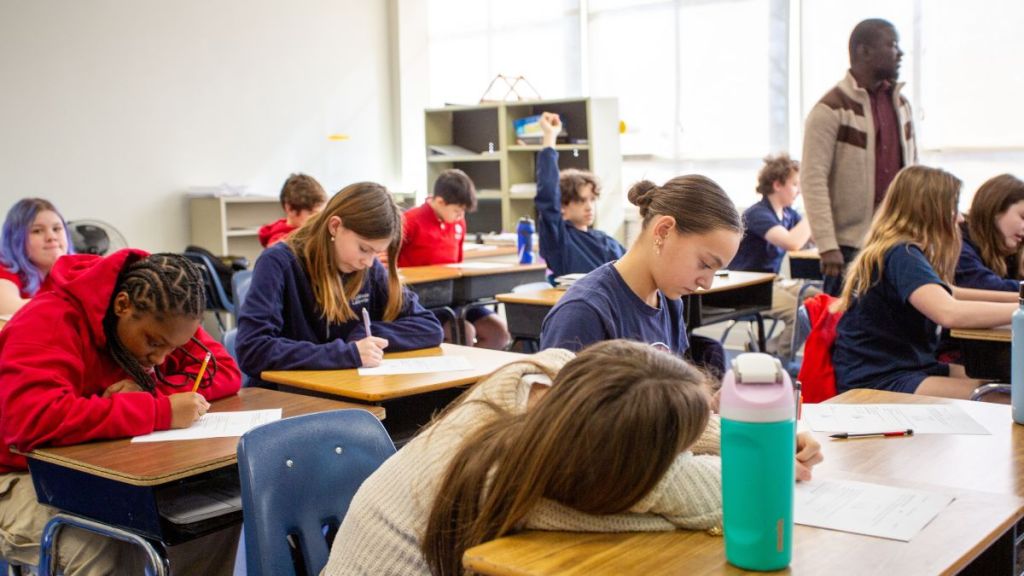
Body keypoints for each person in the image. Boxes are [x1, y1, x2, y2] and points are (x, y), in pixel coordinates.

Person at [321, 340, 823, 575]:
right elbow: (706, 498)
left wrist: (768, 437)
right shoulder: (511, 477)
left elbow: (651, 408)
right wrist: (767, 466)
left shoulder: (552, 373)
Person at [0, 250, 242, 574]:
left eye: (173, 348)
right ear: (122, 306)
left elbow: (223, 370)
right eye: (154, 343)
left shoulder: (169, 310)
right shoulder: (49, 319)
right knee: (107, 544)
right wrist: (158, 411)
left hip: (104, 473)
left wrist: (154, 395)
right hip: (19, 474)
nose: (160, 358)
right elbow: (31, 419)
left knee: (210, 517)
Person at [833, 166, 1017, 399]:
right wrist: (1018, 309)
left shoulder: (899, 250)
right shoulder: (902, 254)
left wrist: (1018, 298)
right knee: (1004, 397)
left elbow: (950, 293)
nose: (959, 218)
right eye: (953, 208)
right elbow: (949, 312)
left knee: (1004, 384)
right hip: (879, 379)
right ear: (930, 211)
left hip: (904, 366)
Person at [236, 182, 444, 387]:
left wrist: (367, 335)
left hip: (346, 390)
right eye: (364, 249)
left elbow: (430, 327)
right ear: (335, 226)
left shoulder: (368, 268)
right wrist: (347, 353)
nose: (369, 262)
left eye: (376, 252)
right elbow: (252, 349)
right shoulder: (278, 262)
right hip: (287, 397)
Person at [540, 174, 742, 376]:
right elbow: (564, 406)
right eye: (705, 264)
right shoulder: (584, 313)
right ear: (664, 231)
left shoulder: (670, 301)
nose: (707, 284)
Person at [801, 18, 917, 296]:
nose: (899, 53)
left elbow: (913, 172)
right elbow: (813, 179)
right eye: (892, 45)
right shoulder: (831, 109)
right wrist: (827, 244)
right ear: (863, 51)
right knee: (845, 328)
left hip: (896, 239)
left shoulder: (901, 105)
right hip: (848, 245)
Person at [398, 168, 510, 350]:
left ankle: (486, 376)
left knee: (498, 331)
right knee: (464, 332)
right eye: (457, 211)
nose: (460, 217)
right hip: (424, 300)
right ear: (439, 201)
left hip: (455, 297)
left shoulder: (458, 222)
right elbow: (386, 260)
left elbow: (457, 262)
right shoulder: (410, 221)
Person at [729, 154, 817, 358]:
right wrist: (815, 211)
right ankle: (779, 362)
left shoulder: (788, 214)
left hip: (773, 281)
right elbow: (792, 242)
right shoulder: (757, 214)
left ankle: (767, 350)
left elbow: (811, 238)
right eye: (795, 184)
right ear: (777, 185)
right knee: (798, 314)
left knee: (820, 301)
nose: (799, 191)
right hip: (749, 285)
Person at [535, 112, 625, 278]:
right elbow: (547, 190)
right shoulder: (559, 239)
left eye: (592, 200)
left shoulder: (604, 240)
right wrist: (550, 136)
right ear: (562, 206)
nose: (589, 207)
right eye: (581, 201)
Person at [0, 198, 73, 315]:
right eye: (37, 231)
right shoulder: (5, 266)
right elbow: (4, 307)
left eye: (56, 229)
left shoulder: (78, 269)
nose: (51, 237)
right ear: (16, 239)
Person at [955, 174, 1024, 291]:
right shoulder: (958, 241)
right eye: (1023, 217)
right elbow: (982, 284)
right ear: (996, 209)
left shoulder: (1009, 251)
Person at [258, 172, 328, 248]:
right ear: (290, 209)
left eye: (320, 214)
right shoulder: (279, 243)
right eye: (312, 214)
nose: (318, 220)